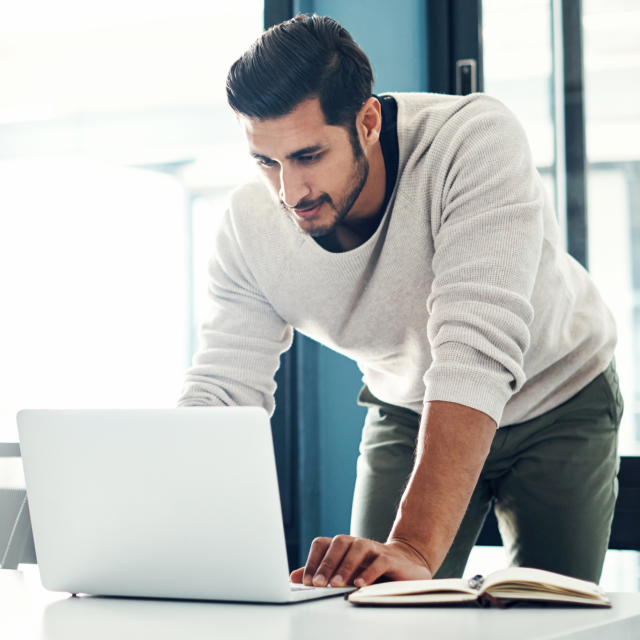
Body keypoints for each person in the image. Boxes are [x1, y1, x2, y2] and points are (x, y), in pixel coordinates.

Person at [178, 14, 622, 588]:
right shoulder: (249, 228)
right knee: (374, 606)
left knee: (550, 613)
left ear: (367, 121)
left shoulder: (471, 141)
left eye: (309, 156)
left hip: (558, 394)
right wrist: (168, 523)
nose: (290, 193)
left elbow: (474, 353)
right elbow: (223, 389)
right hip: (410, 405)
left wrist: (414, 543)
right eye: (267, 161)